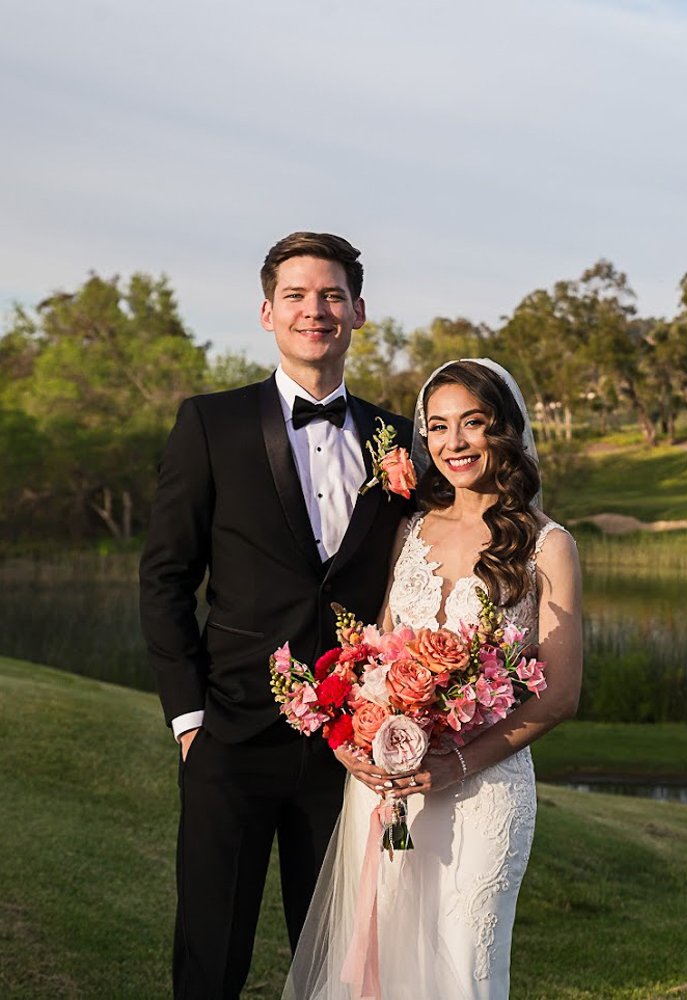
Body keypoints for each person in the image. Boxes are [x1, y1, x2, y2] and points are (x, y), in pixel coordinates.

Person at [140, 232, 413, 999]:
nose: (314, 310)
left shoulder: (399, 439)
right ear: (267, 313)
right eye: (296, 295)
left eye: (330, 295)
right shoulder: (210, 425)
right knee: (211, 951)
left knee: (337, 959)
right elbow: (164, 579)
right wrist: (189, 719)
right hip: (231, 730)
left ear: (358, 311)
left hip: (351, 742)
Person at [283, 359, 583, 1000]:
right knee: (385, 967)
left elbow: (560, 693)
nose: (453, 444)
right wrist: (349, 741)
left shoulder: (547, 543)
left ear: (503, 431)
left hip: (485, 792)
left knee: (465, 966)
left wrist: (458, 764)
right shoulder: (411, 530)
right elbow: (371, 656)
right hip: (390, 786)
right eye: (438, 427)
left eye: (472, 424)